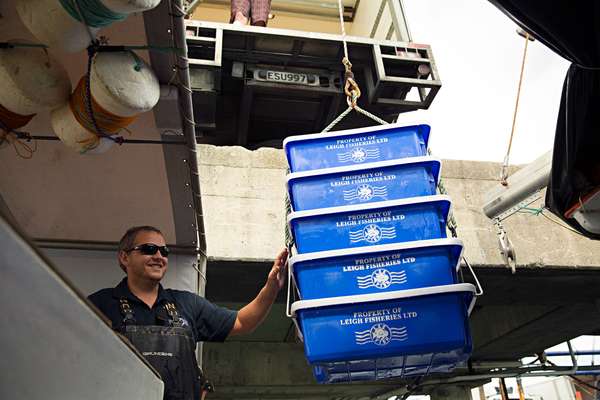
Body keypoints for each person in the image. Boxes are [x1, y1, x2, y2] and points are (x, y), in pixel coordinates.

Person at [88, 225, 288, 400]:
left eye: (164, 251)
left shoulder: (186, 303)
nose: (159, 256)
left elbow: (242, 322)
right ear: (124, 257)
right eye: (149, 249)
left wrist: (271, 288)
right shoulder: (101, 305)